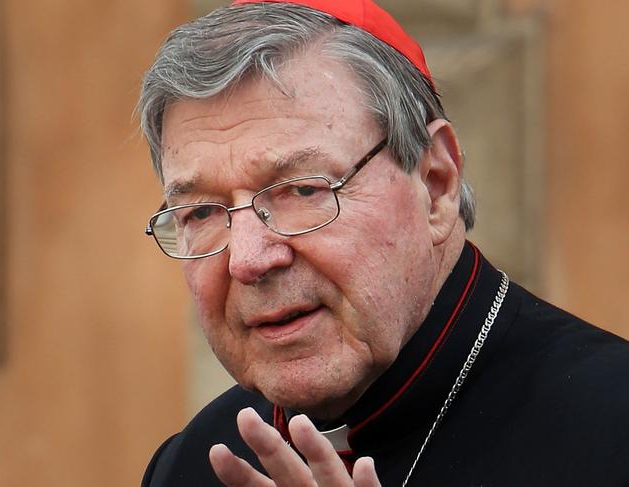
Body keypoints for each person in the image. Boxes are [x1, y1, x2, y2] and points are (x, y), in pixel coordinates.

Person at [138, 1, 629, 485]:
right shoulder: (190, 467)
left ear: (436, 183)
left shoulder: (612, 426)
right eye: (201, 212)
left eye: (303, 190)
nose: (249, 259)